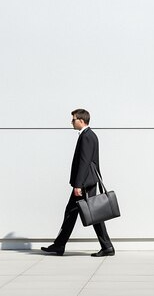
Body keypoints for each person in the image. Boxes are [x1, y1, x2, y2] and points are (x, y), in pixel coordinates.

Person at [41, 109, 115, 257]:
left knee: (91, 213)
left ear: (81, 120)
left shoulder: (87, 136)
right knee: (78, 212)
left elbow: (84, 162)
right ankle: (60, 245)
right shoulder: (89, 135)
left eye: (73, 119)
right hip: (87, 181)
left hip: (85, 183)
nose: (71, 122)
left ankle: (106, 246)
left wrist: (78, 185)